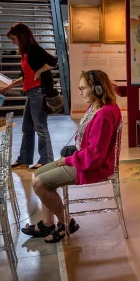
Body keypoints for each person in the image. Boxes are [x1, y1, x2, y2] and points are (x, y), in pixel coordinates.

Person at [21, 70, 122, 243]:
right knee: (38, 175)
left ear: (98, 89)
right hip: (83, 159)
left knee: (40, 184)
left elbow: (94, 157)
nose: (80, 92)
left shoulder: (104, 114)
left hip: (93, 167)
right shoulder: (95, 107)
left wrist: (67, 160)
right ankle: (47, 223)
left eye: (83, 88)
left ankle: (66, 222)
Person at [0, 23, 57, 169]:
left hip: (38, 92)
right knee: (27, 127)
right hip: (31, 93)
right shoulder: (25, 52)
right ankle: (24, 159)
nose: (13, 42)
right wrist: (9, 86)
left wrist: (39, 72)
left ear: (21, 36)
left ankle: (46, 160)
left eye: (13, 39)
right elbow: (25, 77)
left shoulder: (33, 49)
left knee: (40, 127)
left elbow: (53, 61)